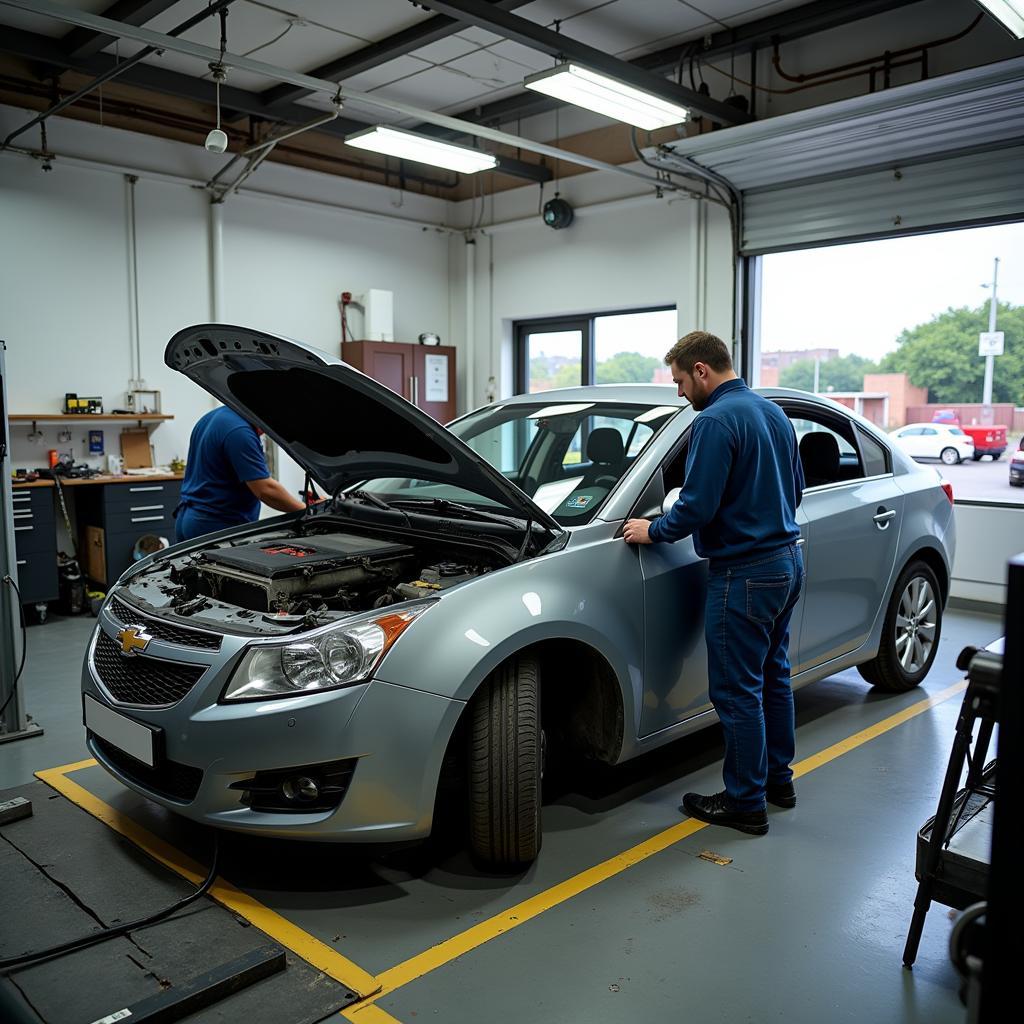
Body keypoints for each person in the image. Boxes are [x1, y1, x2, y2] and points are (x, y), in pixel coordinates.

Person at [623, 331, 805, 836]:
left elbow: (697, 506)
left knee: (735, 691)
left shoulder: (715, 421)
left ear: (701, 370)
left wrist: (651, 529)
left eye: (680, 380)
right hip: (786, 562)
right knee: (772, 675)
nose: (679, 392)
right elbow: (795, 488)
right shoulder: (771, 412)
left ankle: (746, 803)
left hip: (744, 572)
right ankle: (778, 783)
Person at [174, 406, 306, 543]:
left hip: (191, 519)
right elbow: (266, 490)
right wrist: (307, 511)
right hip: (216, 526)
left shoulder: (217, 417)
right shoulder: (240, 432)